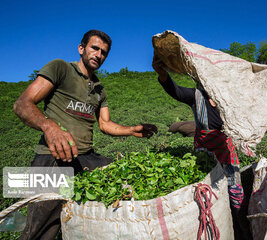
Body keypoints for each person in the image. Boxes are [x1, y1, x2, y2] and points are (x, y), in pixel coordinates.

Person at [13, 30, 157, 240]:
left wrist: (131, 130)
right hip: (53, 158)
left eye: (104, 52)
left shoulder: (99, 89)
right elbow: (22, 104)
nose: (99, 55)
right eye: (94, 48)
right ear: (81, 49)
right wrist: (50, 127)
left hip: (85, 157)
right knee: (42, 230)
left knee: (122, 179)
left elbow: (105, 124)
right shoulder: (60, 68)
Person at [152, 54, 252, 239]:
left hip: (224, 149)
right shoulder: (196, 96)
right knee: (207, 193)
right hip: (203, 151)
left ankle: (242, 230)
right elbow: (175, 91)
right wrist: (162, 74)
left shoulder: (227, 101)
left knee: (236, 193)